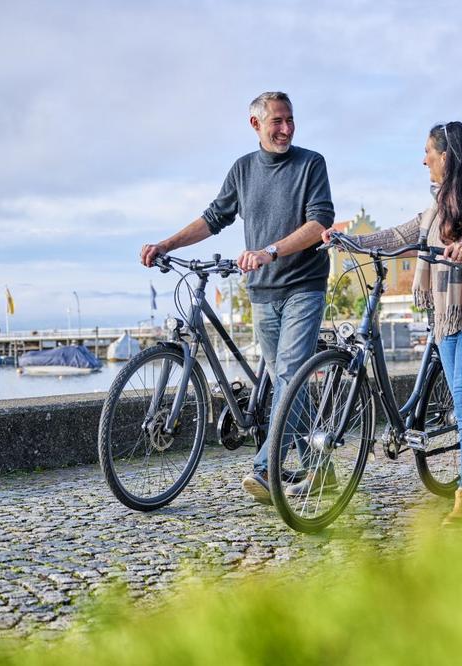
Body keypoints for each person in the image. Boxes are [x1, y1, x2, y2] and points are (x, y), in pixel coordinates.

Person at [140, 91, 334, 505]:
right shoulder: (243, 170)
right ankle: (321, 470)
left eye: (290, 120)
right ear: (255, 125)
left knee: (289, 375)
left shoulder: (311, 163)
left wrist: (271, 251)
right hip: (262, 292)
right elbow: (214, 218)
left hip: (304, 285)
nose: (285, 129)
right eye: (276, 121)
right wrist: (167, 244)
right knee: (287, 380)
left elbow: (320, 223)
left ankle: (265, 470)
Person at [324, 121, 462, 525]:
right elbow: (399, 235)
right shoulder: (435, 209)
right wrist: (349, 242)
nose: (424, 159)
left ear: (446, 157)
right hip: (446, 320)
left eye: (429, 152)